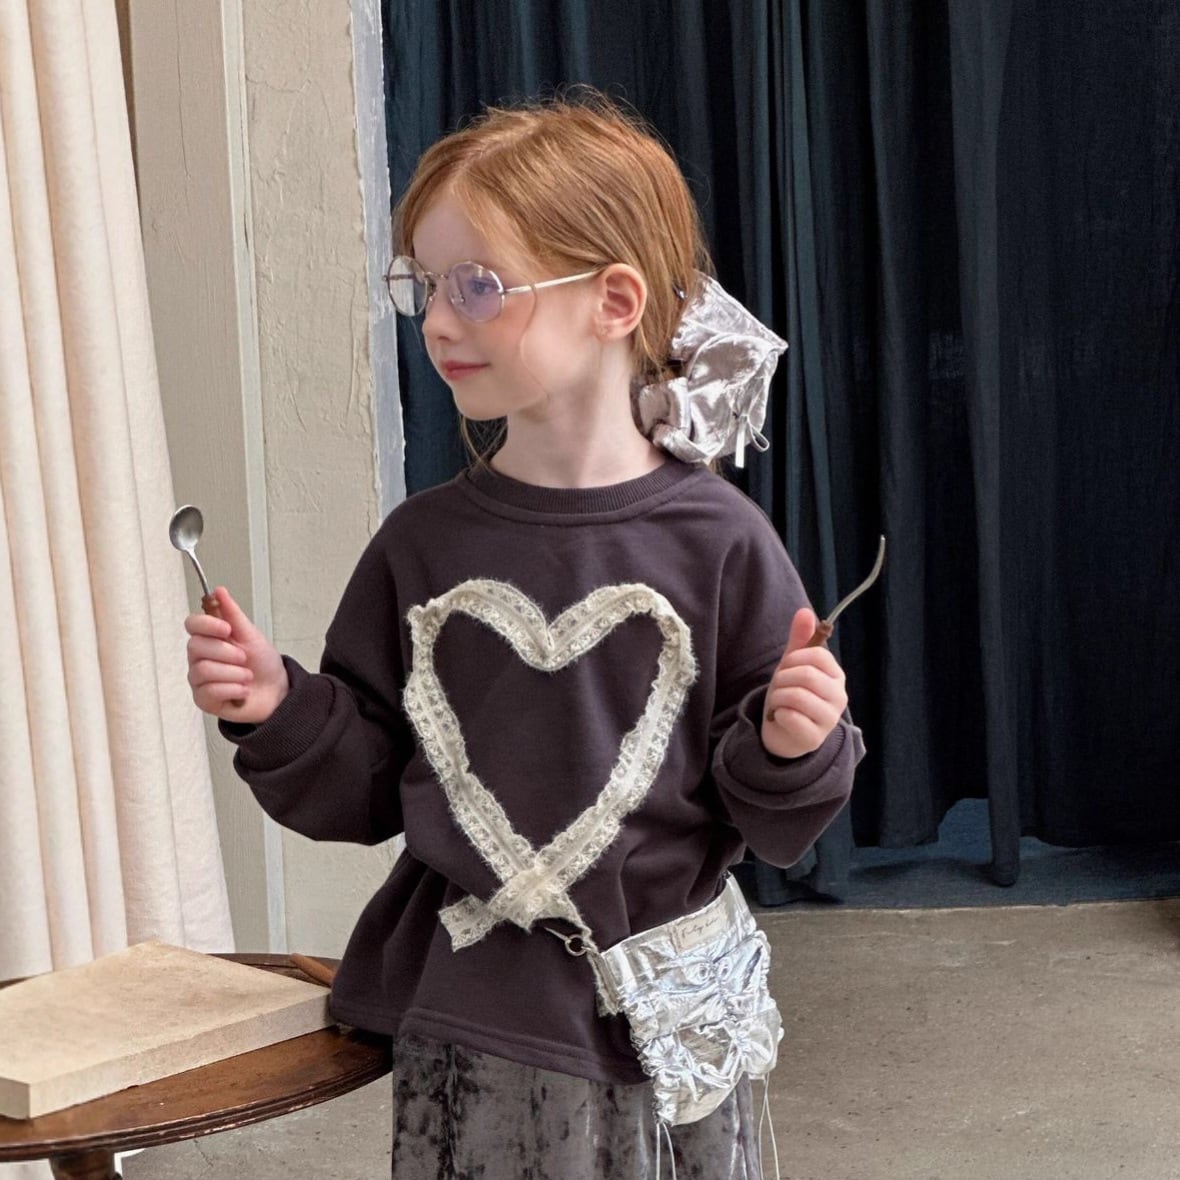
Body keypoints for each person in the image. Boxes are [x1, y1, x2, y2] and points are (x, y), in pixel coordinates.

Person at [184, 91, 865, 1180]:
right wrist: (280, 707)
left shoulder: (720, 543)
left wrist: (793, 743)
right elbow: (370, 784)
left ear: (613, 301)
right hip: (473, 1026)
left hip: (667, 1027)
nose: (436, 322)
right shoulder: (423, 545)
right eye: (422, 285)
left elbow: (770, 817)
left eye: (477, 285)